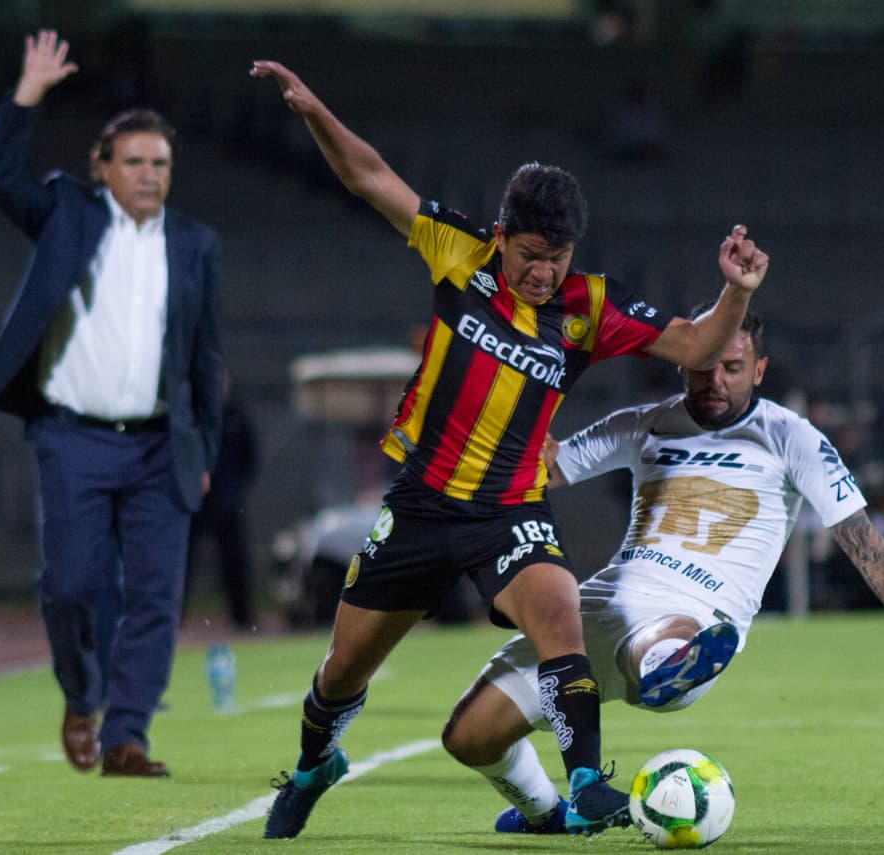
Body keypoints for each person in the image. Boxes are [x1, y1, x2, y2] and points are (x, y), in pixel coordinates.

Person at [248, 59, 769, 839]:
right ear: (501, 234)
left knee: (557, 602)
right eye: (530, 253)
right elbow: (369, 176)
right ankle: (318, 759)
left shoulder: (588, 305)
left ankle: (587, 778)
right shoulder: (458, 252)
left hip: (511, 507)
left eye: (556, 257)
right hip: (422, 502)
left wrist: (737, 292)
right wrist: (316, 111)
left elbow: (697, 345)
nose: (542, 271)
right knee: (343, 668)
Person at [440, 309, 884, 835]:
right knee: (467, 737)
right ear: (683, 362)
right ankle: (549, 815)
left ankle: (669, 664)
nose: (715, 380)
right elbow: (541, 470)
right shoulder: (644, 423)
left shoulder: (792, 437)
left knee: (657, 642)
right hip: (591, 609)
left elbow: (862, 539)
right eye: (703, 365)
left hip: (696, 615)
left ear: (759, 369)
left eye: (733, 367)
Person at [0, 30, 223, 777]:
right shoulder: (66, 215)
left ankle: (127, 734)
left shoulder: (197, 245)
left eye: (160, 163)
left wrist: (200, 449)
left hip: (157, 448)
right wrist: (27, 94)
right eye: (133, 161)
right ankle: (81, 693)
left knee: (152, 595)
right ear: (101, 169)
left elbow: (207, 358)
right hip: (71, 437)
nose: (148, 174)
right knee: (70, 585)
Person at [185, 370, 259, 631]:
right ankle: (175, 618)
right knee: (184, 561)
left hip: (227, 502)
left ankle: (243, 618)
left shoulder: (235, 416)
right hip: (195, 501)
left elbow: (250, 457)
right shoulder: (191, 416)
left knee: (234, 561)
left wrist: (236, 489)